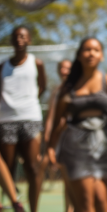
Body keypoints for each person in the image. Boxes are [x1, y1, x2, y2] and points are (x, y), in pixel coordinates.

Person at [48, 37, 107, 212]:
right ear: (79, 55)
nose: (91, 53)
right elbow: (58, 120)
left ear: (101, 56)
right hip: (77, 144)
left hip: (106, 144)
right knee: (86, 202)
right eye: (87, 50)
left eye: (96, 50)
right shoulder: (69, 88)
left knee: (104, 201)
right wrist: (50, 147)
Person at [0, 26, 46, 212]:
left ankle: (33, 209)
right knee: (7, 169)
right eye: (15, 37)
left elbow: (42, 86)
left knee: (32, 167)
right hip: (6, 121)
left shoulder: (37, 63)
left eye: (23, 36)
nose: (19, 39)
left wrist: (29, 102)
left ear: (29, 40)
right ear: (11, 41)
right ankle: (9, 204)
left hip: (30, 119)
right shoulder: (3, 66)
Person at [42, 59, 73, 212]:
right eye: (62, 68)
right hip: (60, 138)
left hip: (76, 138)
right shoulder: (56, 91)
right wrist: (48, 135)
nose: (64, 71)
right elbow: (51, 116)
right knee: (67, 178)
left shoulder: (78, 88)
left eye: (68, 68)